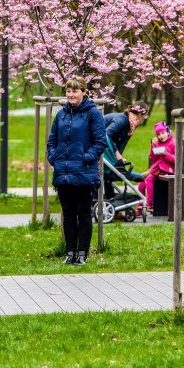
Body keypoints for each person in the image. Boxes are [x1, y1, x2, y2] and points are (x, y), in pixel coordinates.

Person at [45, 76, 106, 266]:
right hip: (63, 173)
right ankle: (70, 252)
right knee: (68, 213)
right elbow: (51, 141)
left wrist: (85, 158)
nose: (71, 94)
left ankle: (82, 253)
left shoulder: (92, 113)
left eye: (75, 91)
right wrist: (53, 157)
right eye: (68, 91)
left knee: (84, 213)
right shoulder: (61, 115)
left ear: (84, 92)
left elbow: (100, 142)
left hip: (83, 172)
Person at [137, 122, 176, 211]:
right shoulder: (158, 143)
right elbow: (154, 158)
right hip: (158, 168)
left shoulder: (173, 142)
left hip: (168, 169)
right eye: (158, 134)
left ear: (168, 131)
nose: (161, 136)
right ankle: (140, 207)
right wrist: (153, 146)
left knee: (149, 179)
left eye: (163, 133)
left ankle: (150, 203)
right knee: (141, 184)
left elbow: (177, 160)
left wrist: (166, 154)